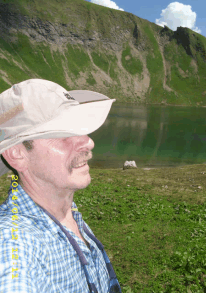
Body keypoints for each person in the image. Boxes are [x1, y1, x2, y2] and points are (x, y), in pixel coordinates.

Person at [0, 79, 121, 293]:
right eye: (63, 134)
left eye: (80, 128)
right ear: (17, 155)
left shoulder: (65, 211)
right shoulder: (12, 243)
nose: (89, 142)